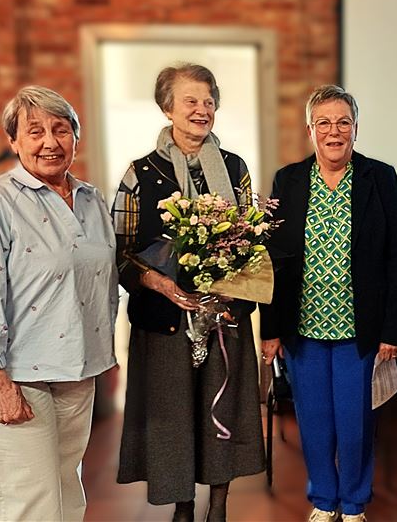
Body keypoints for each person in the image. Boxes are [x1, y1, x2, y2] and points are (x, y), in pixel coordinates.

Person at [112, 63, 265, 521]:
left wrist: (234, 292)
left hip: (224, 317)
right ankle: (182, 507)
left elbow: (251, 241)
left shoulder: (234, 168)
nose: (202, 110)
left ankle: (218, 506)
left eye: (208, 101)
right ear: (167, 108)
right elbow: (120, 253)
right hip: (164, 318)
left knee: (224, 409)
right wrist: (159, 283)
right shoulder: (140, 173)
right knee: (174, 416)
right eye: (190, 101)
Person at [260, 85, 397, 522]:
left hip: (358, 331)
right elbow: (270, 261)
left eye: (343, 122)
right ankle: (324, 500)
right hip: (303, 329)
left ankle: (354, 503)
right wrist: (270, 330)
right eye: (324, 123)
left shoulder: (379, 178)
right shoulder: (288, 180)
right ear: (310, 130)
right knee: (313, 422)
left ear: (355, 129)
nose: (334, 131)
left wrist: (393, 330)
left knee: (354, 423)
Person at [0, 86, 118, 521]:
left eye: (61, 130)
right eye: (35, 132)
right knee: (28, 503)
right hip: (13, 373)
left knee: (67, 492)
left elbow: (102, 278)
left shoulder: (91, 199)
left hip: (76, 370)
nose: (50, 142)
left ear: (76, 137)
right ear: (13, 141)